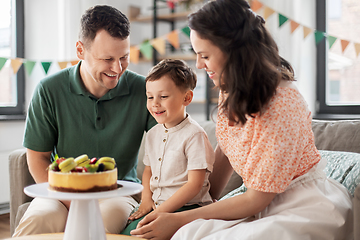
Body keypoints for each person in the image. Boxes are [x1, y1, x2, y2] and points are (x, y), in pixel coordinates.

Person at [130, 0, 353, 239]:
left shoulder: (283, 105)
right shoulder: (232, 87)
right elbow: (226, 150)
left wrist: (178, 218)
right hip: (255, 201)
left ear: (233, 51)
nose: (198, 64)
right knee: (188, 233)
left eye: (204, 55)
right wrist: (200, 203)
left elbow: (257, 198)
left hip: (300, 204)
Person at [13, 5, 156, 236]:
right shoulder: (49, 90)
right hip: (60, 192)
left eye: (124, 57)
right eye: (107, 59)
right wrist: (71, 202)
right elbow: (37, 157)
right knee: (38, 220)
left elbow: (168, 142)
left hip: (118, 193)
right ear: (80, 50)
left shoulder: (144, 89)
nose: (117, 69)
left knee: (99, 224)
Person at [121, 59, 215, 235]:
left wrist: (160, 212)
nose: (155, 103)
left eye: (163, 97)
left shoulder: (194, 135)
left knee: (139, 234)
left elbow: (195, 184)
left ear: (186, 98)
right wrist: (146, 200)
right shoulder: (152, 133)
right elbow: (148, 170)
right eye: (150, 97)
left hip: (188, 208)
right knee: (126, 233)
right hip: (157, 205)